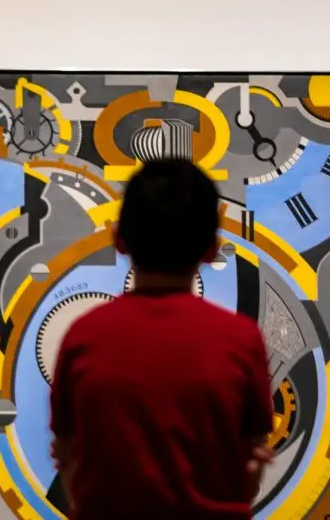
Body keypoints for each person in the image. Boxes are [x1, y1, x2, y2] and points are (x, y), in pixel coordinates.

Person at [49, 158, 275, 519]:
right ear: (211, 248)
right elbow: (250, 461)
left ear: (120, 240)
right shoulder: (241, 340)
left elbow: (67, 451)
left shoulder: (83, 337)